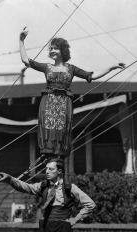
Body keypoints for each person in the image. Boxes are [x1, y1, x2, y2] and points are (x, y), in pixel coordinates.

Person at [19, 27, 125, 159]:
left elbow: (92, 76)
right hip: (49, 103)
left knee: (62, 130)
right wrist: (21, 40)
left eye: (55, 48)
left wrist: (112, 67)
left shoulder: (71, 68)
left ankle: (59, 158)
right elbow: (26, 60)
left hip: (64, 104)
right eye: (51, 49)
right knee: (48, 127)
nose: (52, 51)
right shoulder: (47, 67)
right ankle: (48, 156)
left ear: (62, 50)